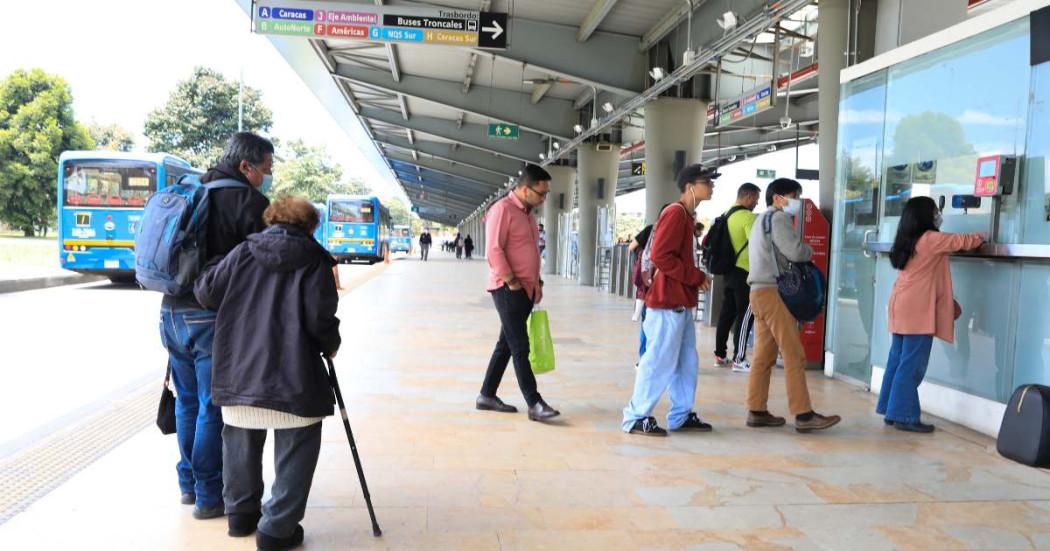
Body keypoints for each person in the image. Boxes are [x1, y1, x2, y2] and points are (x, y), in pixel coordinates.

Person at [194, 196, 340, 550]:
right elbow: (320, 317)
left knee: (240, 440)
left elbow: (206, 293)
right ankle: (277, 528)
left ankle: (241, 515)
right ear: (309, 226)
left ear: (270, 220)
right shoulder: (315, 260)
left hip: (240, 370)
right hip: (296, 374)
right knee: (297, 445)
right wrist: (331, 343)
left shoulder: (243, 252)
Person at [158, 132, 272, 520]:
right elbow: (263, 264)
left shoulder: (194, 187)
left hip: (170, 311)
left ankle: (189, 486)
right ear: (246, 166)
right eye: (264, 170)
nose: (265, 178)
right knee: (211, 406)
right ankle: (209, 497)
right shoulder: (249, 202)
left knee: (188, 401)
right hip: (208, 317)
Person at [622, 164, 716, 436]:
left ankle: (681, 414)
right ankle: (636, 416)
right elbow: (662, 256)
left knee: (686, 361)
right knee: (659, 361)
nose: (711, 187)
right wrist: (695, 276)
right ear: (690, 187)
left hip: (679, 303)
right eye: (707, 182)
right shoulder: (675, 214)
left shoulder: (687, 216)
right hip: (666, 302)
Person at [878, 196, 983, 433]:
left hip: (901, 304)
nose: (938, 214)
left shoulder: (907, 238)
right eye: (935, 211)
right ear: (926, 216)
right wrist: (983, 235)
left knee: (897, 360)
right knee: (911, 365)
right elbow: (962, 240)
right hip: (916, 309)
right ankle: (904, 415)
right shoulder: (929, 239)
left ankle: (891, 410)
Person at [746, 178, 840, 433]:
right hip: (774, 293)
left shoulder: (759, 220)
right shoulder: (778, 219)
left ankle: (757, 410)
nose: (796, 202)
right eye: (794, 196)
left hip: (758, 291)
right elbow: (796, 252)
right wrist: (809, 251)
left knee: (763, 355)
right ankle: (804, 414)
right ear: (778, 198)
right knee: (793, 354)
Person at [477, 164, 560, 422]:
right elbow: (494, 250)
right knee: (519, 345)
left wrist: (537, 283)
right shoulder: (502, 210)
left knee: (505, 345)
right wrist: (512, 280)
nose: (544, 198)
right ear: (525, 189)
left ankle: (486, 395)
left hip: (526, 289)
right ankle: (534, 403)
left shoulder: (527, 213)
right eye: (541, 193)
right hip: (507, 288)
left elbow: (530, 251)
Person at [714, 183, 761, 370]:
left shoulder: (726, 216)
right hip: (744, 272)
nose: (756, 204)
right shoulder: (748, 217)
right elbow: (757, 244)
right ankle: (739, 359)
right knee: (745, 316)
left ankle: (720, 355)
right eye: (756, 200)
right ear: (748, 197)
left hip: (728, 272)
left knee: (726, 314)